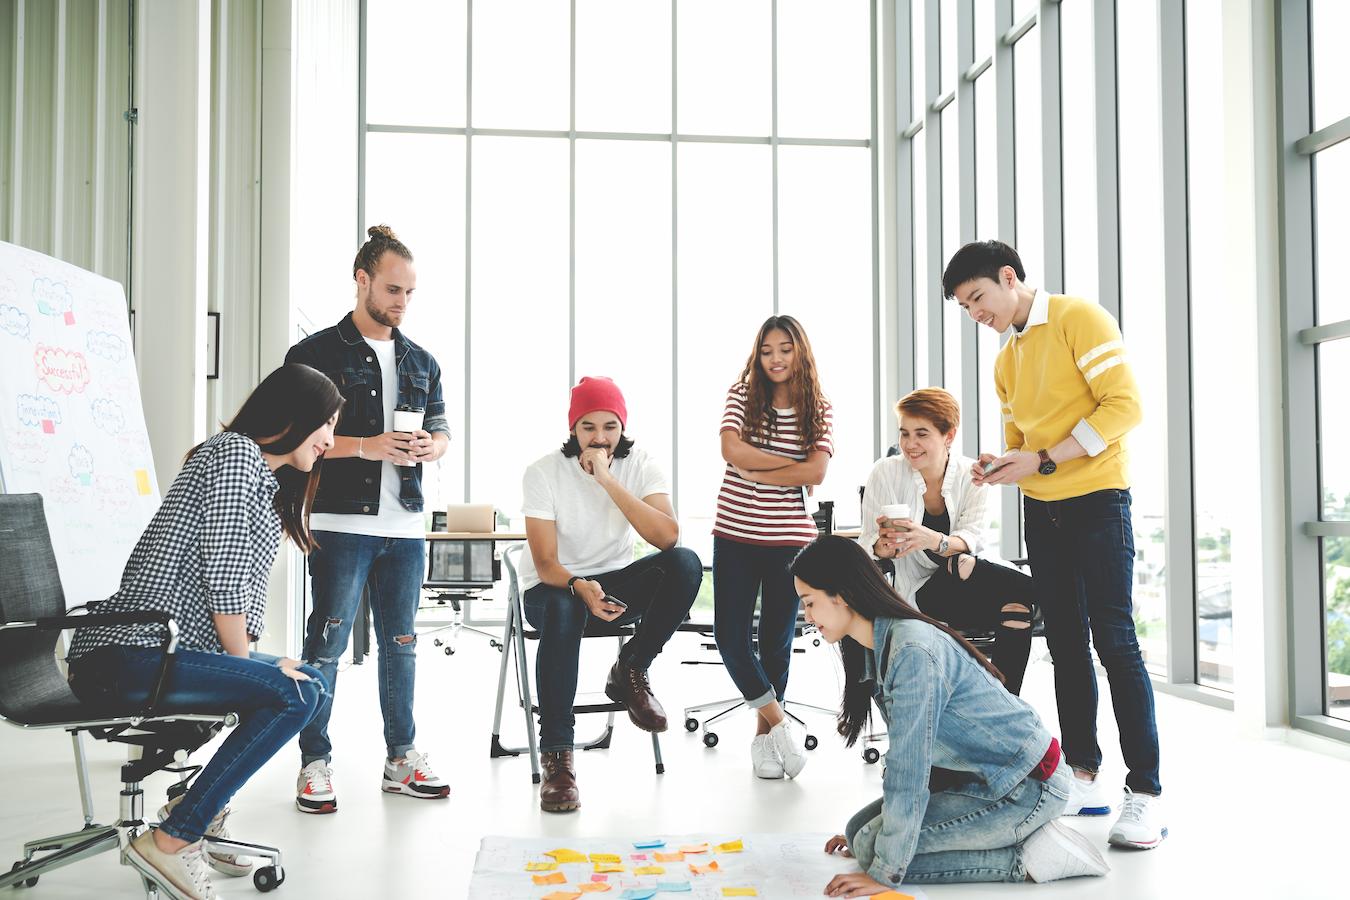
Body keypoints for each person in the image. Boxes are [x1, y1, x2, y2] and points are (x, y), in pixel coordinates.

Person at [66, 364, 340, 900]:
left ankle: (196, 811)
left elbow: (236, 589)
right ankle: (173, 839)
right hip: (128, 655)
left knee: (309, 683)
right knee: (295, 692)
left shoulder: (255, 471)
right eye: (326, 423)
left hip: (159, 652)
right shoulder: (236, 456)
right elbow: (225, 579)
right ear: (294, 415)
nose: (330, 440)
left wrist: (255, 665)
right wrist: (251, 667)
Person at [945, 239, 1165, 849]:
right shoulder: (1006, 361)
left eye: (978, 298)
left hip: (1098, 503)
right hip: (1043, 512)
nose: (976, 314)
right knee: (1065, 644)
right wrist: (1001, 464)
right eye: (965, 307)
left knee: (1115, 642)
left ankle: (1145, 793)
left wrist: (1042, 458)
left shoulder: (1077, 318)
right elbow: (1022, 442)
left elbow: (1124, 407)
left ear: (1008, 277)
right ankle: (1083, 774)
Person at [791, 536, 1109, 895]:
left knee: (872, 850)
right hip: (983, 778)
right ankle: (1001, 835)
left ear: (842, 595)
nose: (808, 617)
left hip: (1028, 787)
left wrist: (883, 870)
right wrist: (872, 839)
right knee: (857, 833)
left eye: (810, 603)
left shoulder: (911, 650)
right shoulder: (879, 641)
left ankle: (1029, 858)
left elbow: (910, 765)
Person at [283, 224, 452, 812]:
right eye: (392, 289)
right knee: (326, 644)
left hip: (405, 527)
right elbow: (291, 437)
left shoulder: (422, 361)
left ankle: (401, 758)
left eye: (409, 292)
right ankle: (314, 762)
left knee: (401, 645)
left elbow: (441, 427)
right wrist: (367, 446)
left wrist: (432, 446)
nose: (402, 302)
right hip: (340, 523)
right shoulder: (313, 355)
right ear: (362, 280)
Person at [520, 376, 702, 812]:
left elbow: (667, 537)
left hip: (613, 585)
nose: (599, 438)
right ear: (573, 428)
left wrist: (607, 480)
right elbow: (545, 563)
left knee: (685, 564)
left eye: (610, 427)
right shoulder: (543, 472)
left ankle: (631, 668)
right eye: (588, 427)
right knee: (564, 607)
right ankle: (558, 757)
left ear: (623, 427)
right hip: (554, 588)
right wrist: (578, 585)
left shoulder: (640, 465)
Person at [712, 315, 833, 780]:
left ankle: (762, 741)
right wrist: (789, 465)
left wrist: (757, 470)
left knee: (776, 644)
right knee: (730, 637)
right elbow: (732, 452)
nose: (775, 359)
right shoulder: (742, 395)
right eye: (766, 351)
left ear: (800, 351)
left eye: (784, 349)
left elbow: (816, 472)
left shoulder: (818, 408)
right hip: (735, 533)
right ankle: (780, 726)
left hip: (789, 540)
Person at [859, 387, 1035, 695]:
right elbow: (868, 544)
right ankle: (1049, 595)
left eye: (921, 434)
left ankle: (1005, 705)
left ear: (949, 435)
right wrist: (881, 548)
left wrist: (933, 540)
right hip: (919, 594)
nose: (909, 444)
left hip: (967, 589)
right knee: (965, 564)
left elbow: (971, 537)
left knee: (1014, 605)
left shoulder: (972, 475)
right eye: (904, 433)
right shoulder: (885, 473)